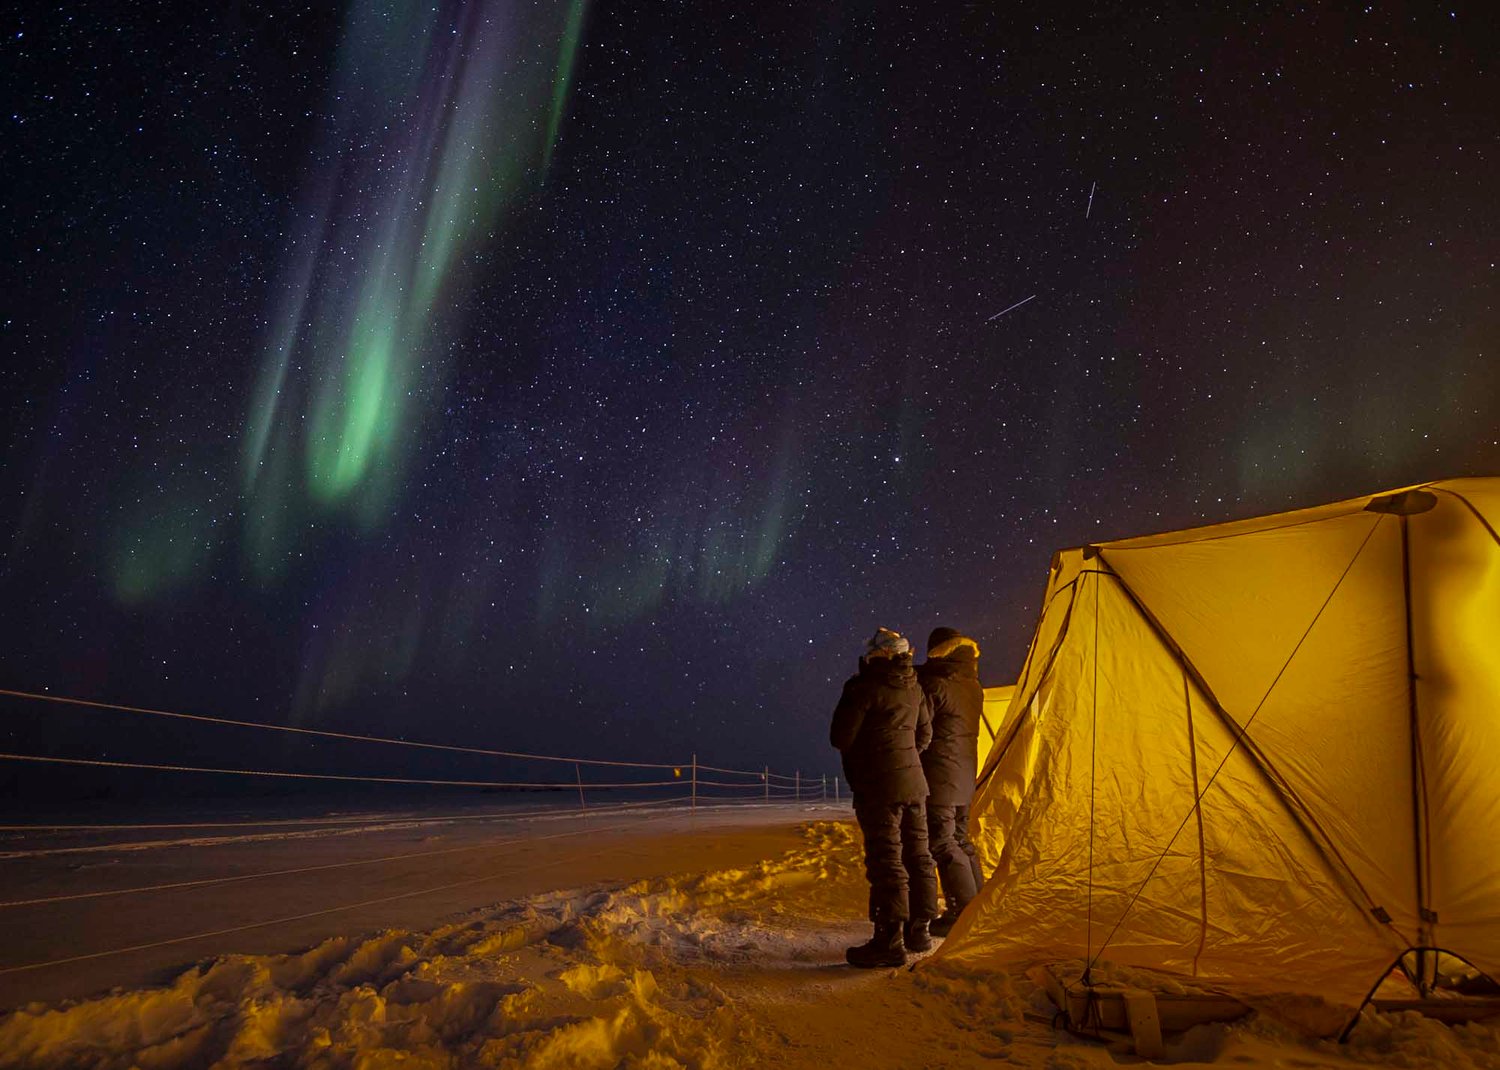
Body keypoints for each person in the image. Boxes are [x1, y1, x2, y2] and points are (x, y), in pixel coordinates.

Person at [830, 627, 940, 967]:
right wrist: (904, 759)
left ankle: (889, 943)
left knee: (886, 860)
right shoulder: (914, 687)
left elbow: (840, 737)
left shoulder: (864, 687)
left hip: (879, 787)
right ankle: (919, 931)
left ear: (880, 654)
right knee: (918, 855)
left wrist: (875, 762)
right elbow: (925, 734)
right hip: (914, 784)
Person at [917, 626, 987, 937]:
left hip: (940, 775)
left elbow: (922, 731)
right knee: (960, 839)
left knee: (943, 842)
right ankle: (976, 907)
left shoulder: (935, 685)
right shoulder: (972, 684)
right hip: (963, 775)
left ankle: (960, 912)